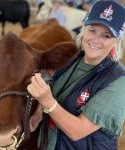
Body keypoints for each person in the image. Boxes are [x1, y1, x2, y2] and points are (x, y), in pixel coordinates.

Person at [27, 0, 125, 150]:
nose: (96, 40)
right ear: (84, 29)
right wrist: (39, 116)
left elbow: (78, 131)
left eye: (106, 35)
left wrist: (47, 101)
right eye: (92, 30)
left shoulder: (118, 81)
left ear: (117, 41)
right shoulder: (71, 58)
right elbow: (58, 96)